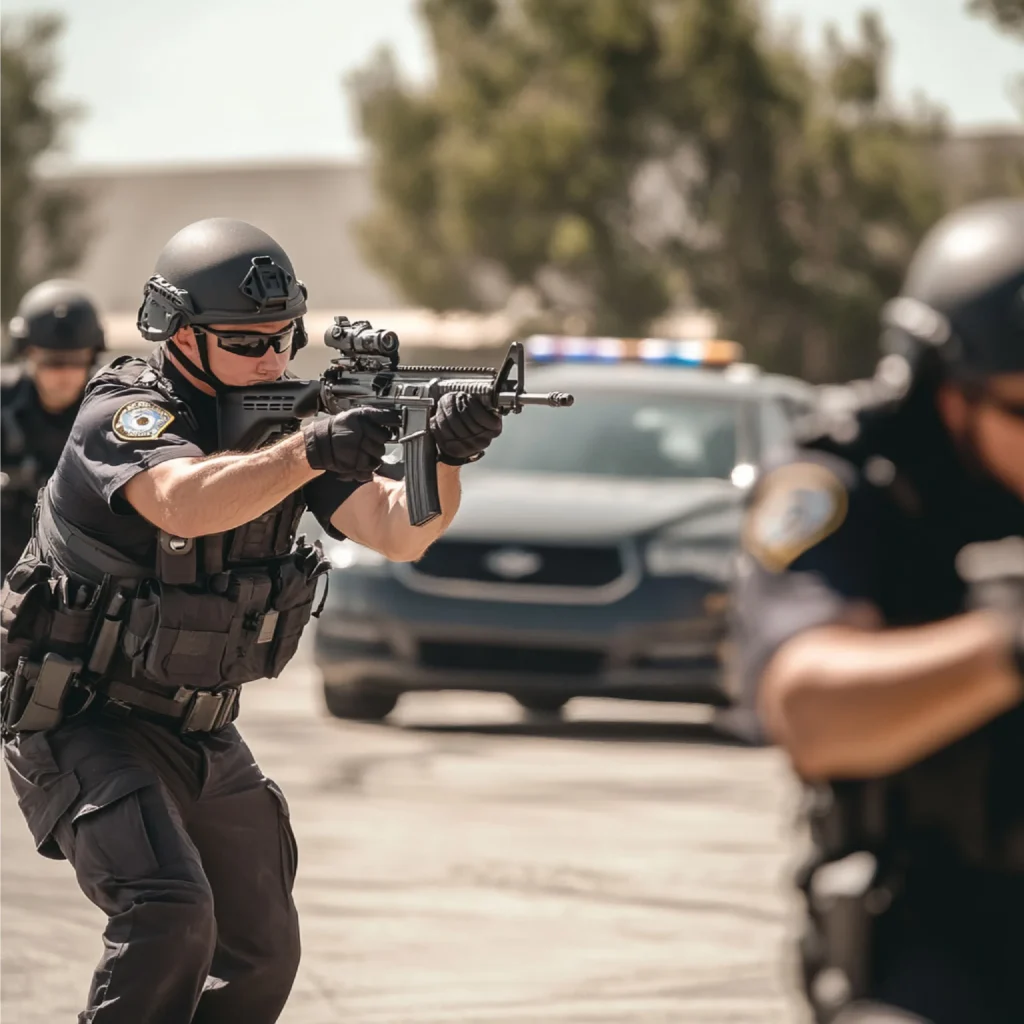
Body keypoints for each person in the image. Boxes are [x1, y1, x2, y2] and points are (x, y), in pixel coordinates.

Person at [0, 217, 503, 1024]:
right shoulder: (123, 409)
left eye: (284, 338)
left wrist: (442, 452)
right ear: (180, 334)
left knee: (263, 950)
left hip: (200, 726)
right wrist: (308, 448)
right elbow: (182, 502)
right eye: (244, 343)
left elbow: (400, 530)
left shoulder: (284, 426)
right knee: (167, 916)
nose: (271, 360)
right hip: (81, 715)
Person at [730, 198, 1024, 1024]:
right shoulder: (850, 484)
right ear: (948, 393)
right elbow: (812, 708)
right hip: (944, 939)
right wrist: (1006, 644)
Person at [1, 279, 106, 577]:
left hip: (82, 567)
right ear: (28, 353)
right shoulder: (4, 400)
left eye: (76, 360)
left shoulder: (110, 407)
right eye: (51, 361)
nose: (64, 374)